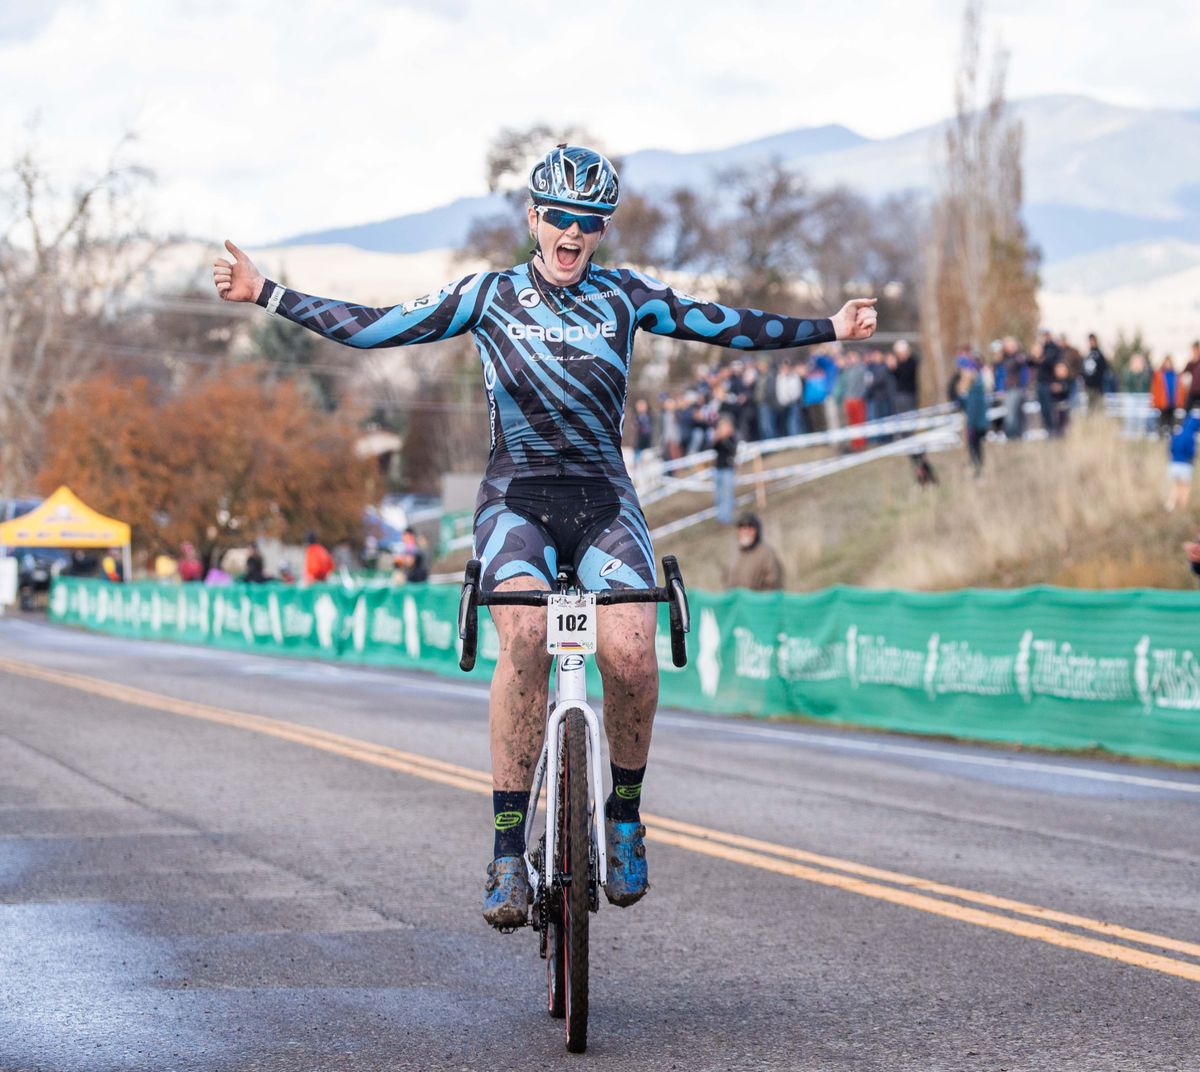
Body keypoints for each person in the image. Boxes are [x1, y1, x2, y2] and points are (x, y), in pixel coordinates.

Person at [212, 143, 877, 929]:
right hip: (516, 498)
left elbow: (726, 325)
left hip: (603, 498)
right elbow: (375, 328)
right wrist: (265, 293)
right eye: (558, 216)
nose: (571, 233)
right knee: (525, 635)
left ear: (600, 231)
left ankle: (623, 819)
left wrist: (829, 328)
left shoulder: (626, 296)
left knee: (631, 650)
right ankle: (504, 851)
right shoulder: (488, 295)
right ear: (532, 217)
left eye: (587, 222)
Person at [723, 513, 783, 591]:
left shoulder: (766, 554)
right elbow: (727, 584)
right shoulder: (735, 557)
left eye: (750, 528)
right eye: (742, 528)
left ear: (757, 531)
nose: (745, 532)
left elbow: (774, 585)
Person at [1165, 410, 1200, 513]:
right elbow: (1191, 452)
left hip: (1173, 464)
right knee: (1185, 487)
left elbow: (1169, 449)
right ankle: (1183, 508)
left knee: (1176, 486)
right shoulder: (1191, 436)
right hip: (1185, 465)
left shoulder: (1177, 433)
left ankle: (1170, 506)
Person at [711, 415, 738, 524]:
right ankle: (720, 517)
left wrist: (725, 437)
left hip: (728, 469)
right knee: (719, 495)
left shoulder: (731, 438)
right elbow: (713, 447)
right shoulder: (719, 440)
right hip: (718, 469)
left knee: (727, 494)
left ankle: (727, 517)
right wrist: (717, 437)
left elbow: (732, 450)